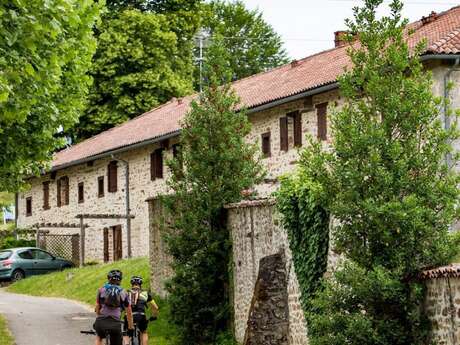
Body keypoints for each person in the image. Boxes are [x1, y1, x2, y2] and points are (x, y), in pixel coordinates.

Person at [94, 270, 134, 345]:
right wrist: (130, 327)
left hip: (101, 322)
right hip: (115, 324)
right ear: (120, 280)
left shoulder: (101, 289)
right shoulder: (123, 292)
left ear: (108, 278)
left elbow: (97, 308)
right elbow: (129, 312)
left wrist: (98, 318)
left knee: (99, 337)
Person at [122, 275, 159, 345]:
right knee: (144, 332)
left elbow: (121, 306)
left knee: (126, 332)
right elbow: (155, 307)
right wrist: (154, 316)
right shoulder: (145, 293)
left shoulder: (126, 293)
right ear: (140, 284)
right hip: (141, 316)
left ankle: (126, 343)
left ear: (131, 284)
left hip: (129, 316)